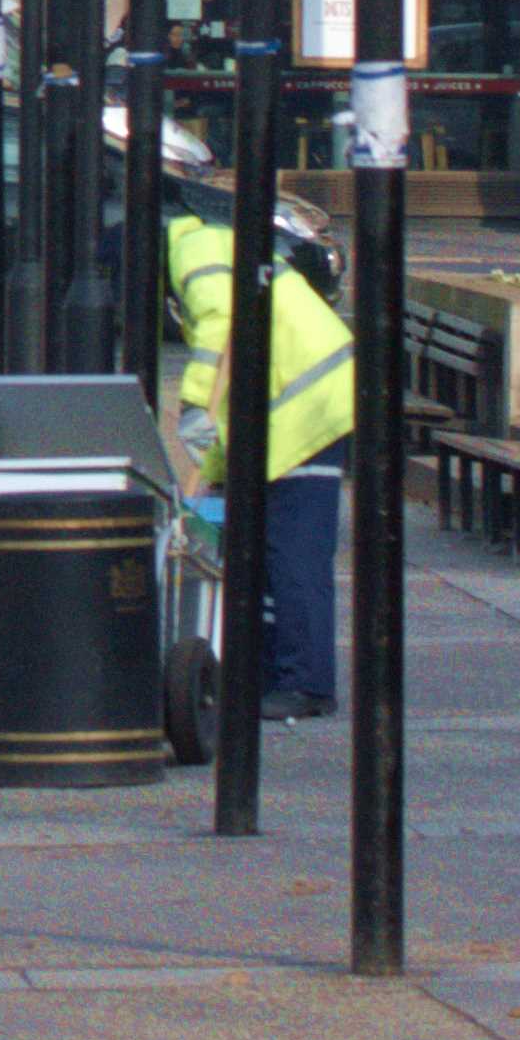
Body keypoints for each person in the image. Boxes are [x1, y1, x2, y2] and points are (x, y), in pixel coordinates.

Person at [165, 202, 358, 719]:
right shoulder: (211, 244)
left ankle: (306, 684)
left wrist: (194, 406)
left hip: (309, 411)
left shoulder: (193, 251)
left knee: (294, 554)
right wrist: (215, 467)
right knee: (271, 556)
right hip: (294, 411)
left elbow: (221, 329)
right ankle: (276, 676)